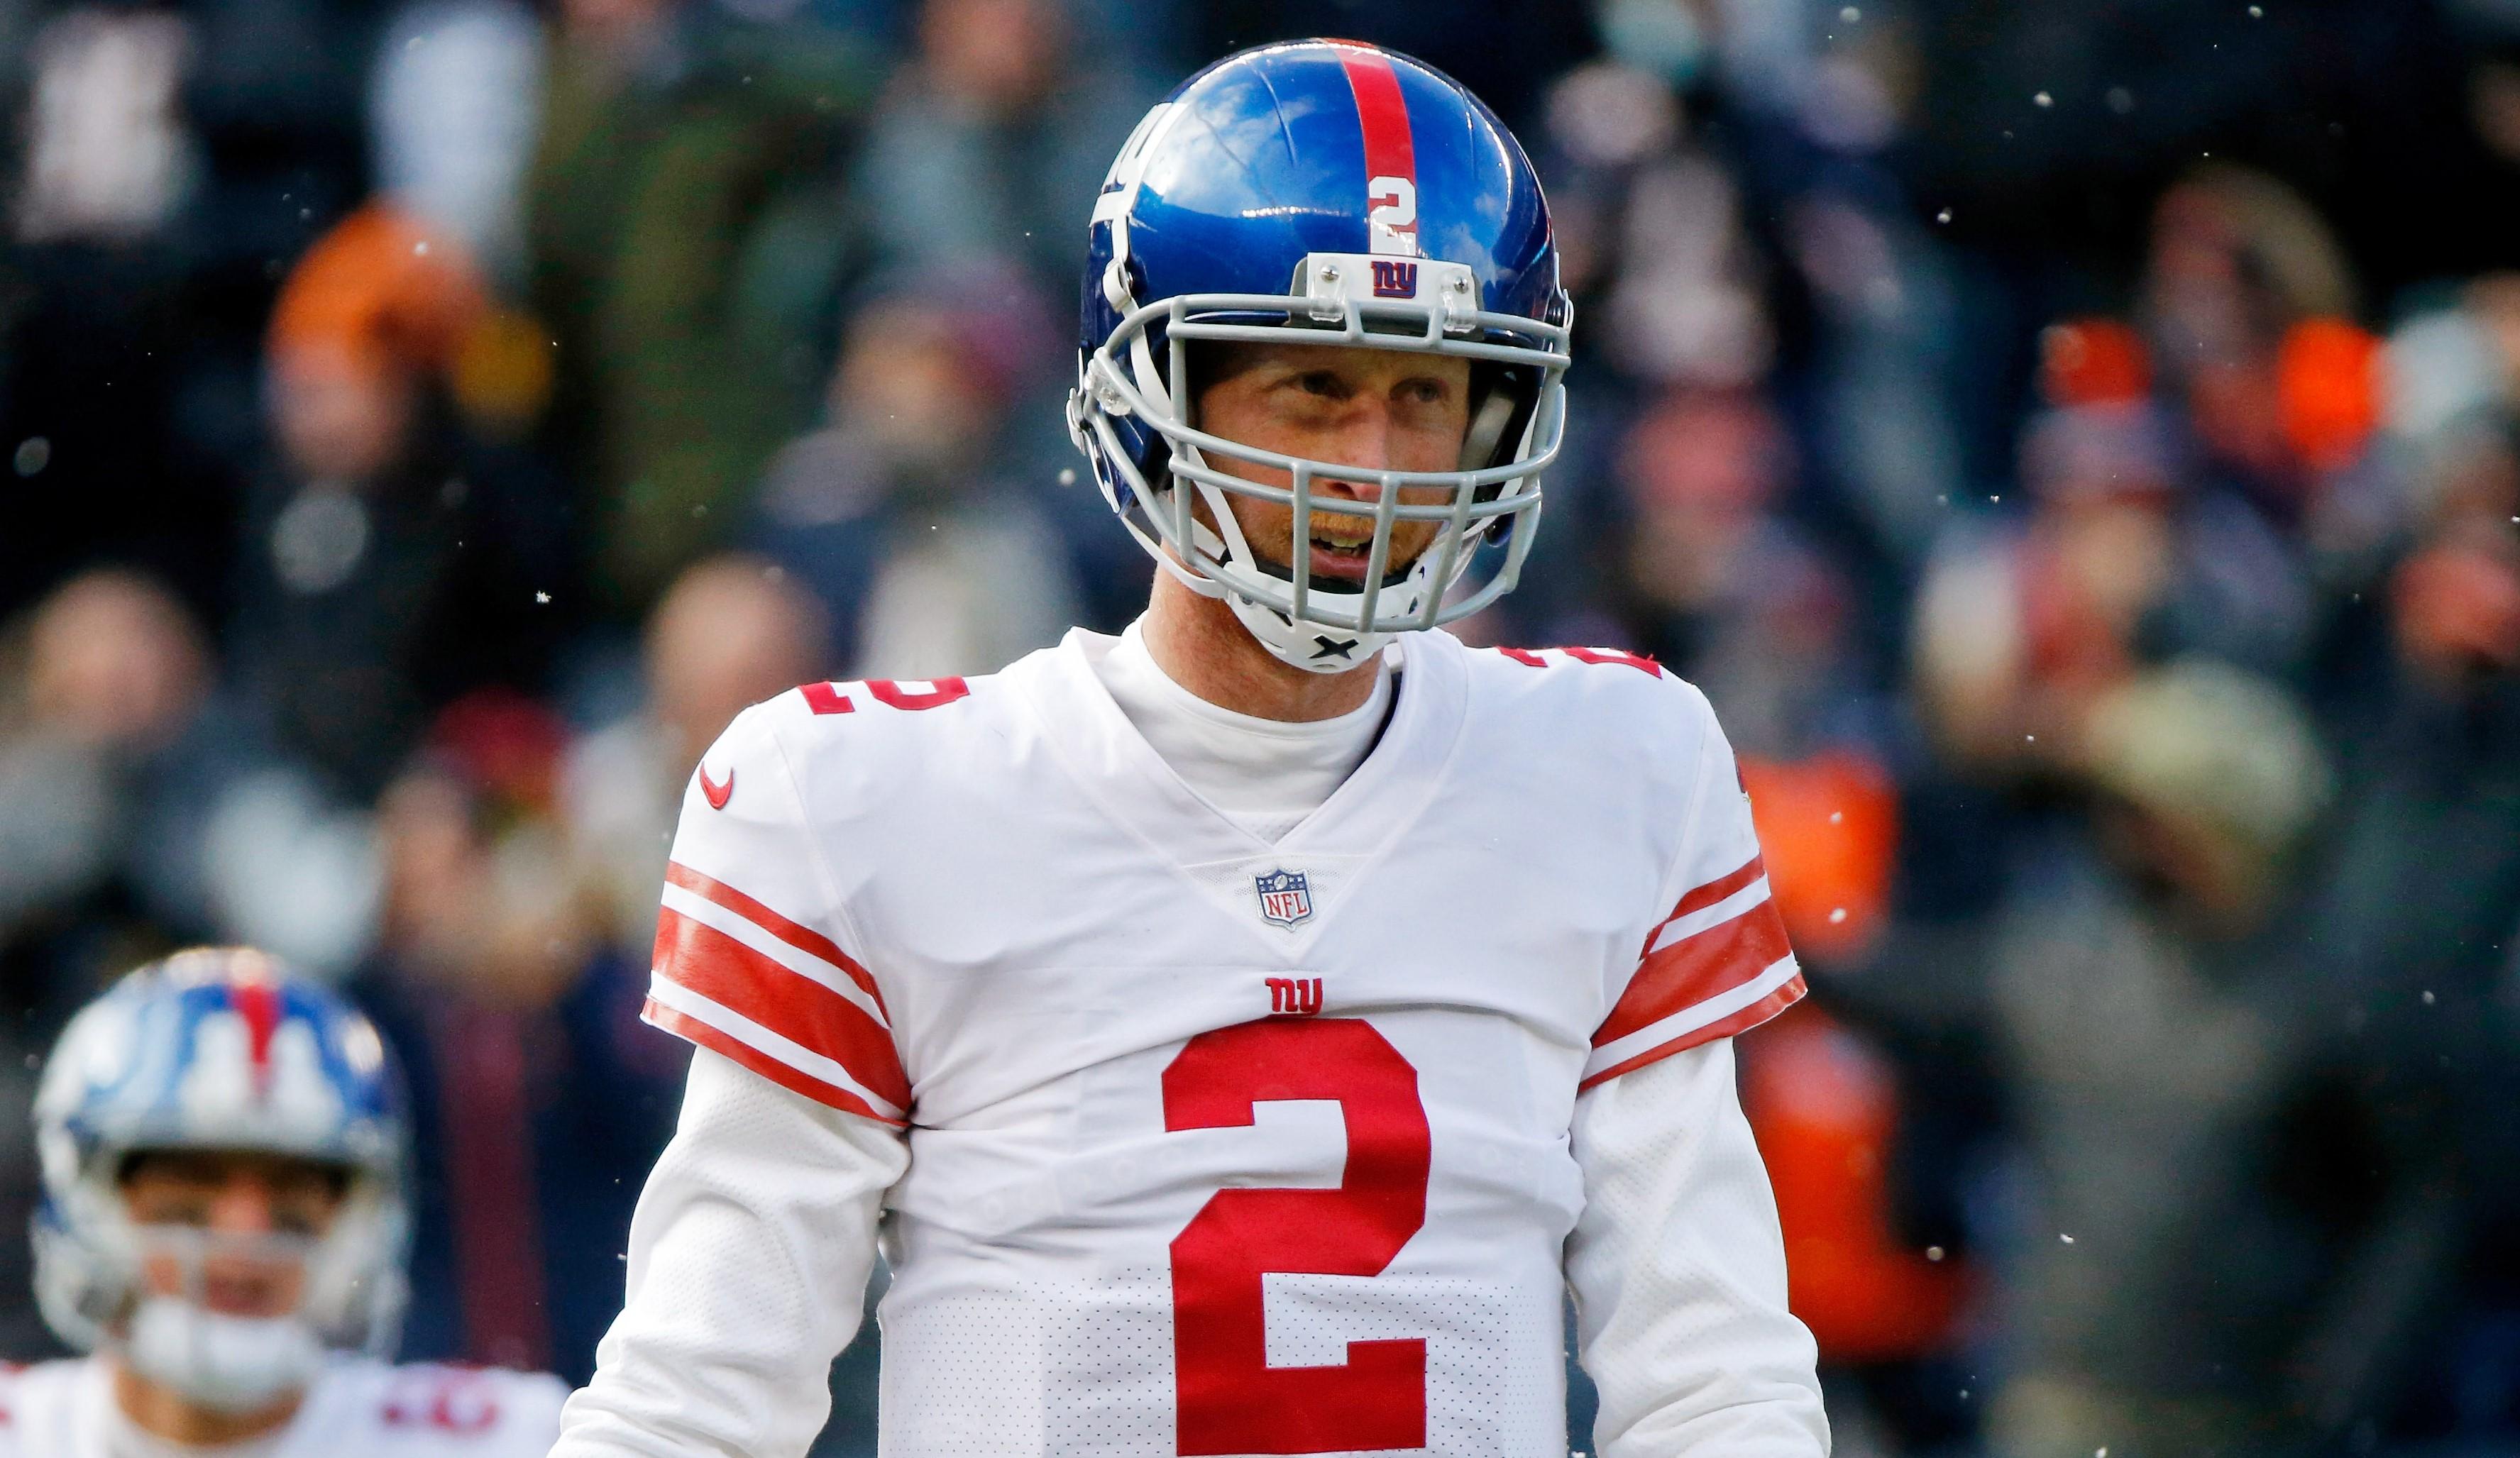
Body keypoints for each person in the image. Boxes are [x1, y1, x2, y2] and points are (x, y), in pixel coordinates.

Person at [556, 39, 1830, 1458]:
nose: (1374, 462)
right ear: (1158, 394)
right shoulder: (875, 807)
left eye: (1426, 393)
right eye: (1314, 387)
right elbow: (702, 1397)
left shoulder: (1610, 770)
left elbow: (1715, 1381)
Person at [2, 946, 567, 1454]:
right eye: (190, 1190)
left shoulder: (504, 1439)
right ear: (88, 1197)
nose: (245, 1232)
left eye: (295, 1195)